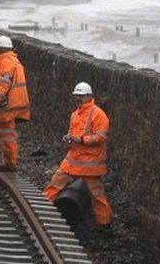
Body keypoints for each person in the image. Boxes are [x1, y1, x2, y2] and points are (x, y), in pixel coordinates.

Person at [43, 82, 112, 226]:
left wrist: (80, 139)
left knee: (97, 197)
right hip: (73, 161)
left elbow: (100, 137)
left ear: (89, 96)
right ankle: (42, 215)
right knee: (54, 185)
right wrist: (68, 139)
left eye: (80, 96)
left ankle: (104, 225)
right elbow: (72, 133)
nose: (78, 99)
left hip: (90, 164)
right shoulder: (75, 114)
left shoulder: (98, 114)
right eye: (76, 96)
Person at [0, 36, 29, 172]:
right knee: (7, 133)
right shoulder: (14, 60)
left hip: (5, 104)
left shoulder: (5, 61)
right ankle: (9, 161)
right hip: (13, 103)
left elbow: (4, 82)